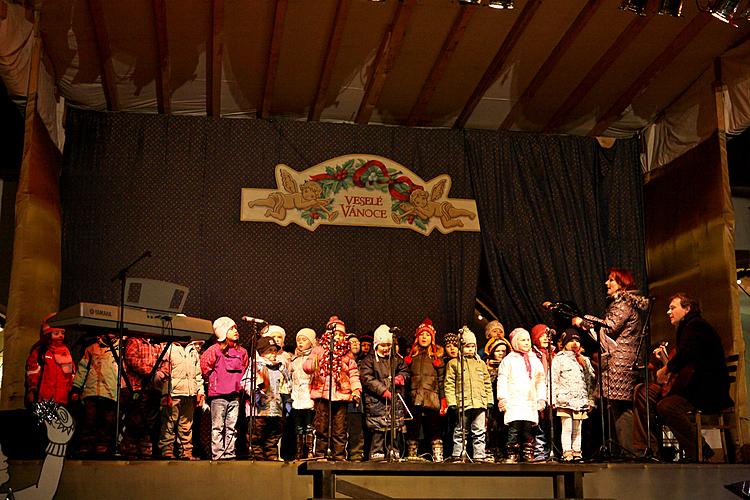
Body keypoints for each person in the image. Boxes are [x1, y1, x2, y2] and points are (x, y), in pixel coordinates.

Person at [646, 293, 732, 462]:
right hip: (696, 388)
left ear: (687, 309)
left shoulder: (696, 325)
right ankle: (655, 450)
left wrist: (666, 369)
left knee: (667, 406)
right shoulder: (689, 327)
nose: (668, 312)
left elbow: (687, 353)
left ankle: (700, 451)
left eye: (672, 308)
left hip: (708, 390)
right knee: (650, 397)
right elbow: (687, 360)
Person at [572, 267, 649, 451]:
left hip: (620, 362)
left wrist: (582, 322)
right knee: (617, 407)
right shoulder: (623, 303)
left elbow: (609, 327)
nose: (607, 283)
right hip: (621, 361)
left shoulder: (622, 304)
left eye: (611, 280)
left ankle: (629, 450)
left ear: (622, 284)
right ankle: (625, 449)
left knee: (620, 408)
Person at [303, 316, 362, 460]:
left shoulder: (347, 354)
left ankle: (339, 455)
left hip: (341, 395)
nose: (338, 337)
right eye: (335, 334)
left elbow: (353, 374)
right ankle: (320, 454)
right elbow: (307, 367)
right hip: (322, 395)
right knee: (321, 427)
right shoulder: (319, 350)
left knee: (340, 428)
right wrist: (313, 364)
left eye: (341, 335)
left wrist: (356, 390)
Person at [200, 317, 249, 460]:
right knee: (218, 427)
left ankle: (229, 454)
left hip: (235, 395)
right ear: (222, 331)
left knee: (232, 428)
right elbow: (204, 368)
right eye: (231, 328)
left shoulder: (242, 352)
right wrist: (215, 381)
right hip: (218, 395)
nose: (236, 331)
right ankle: (218, 455)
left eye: (236, 328)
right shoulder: (214, 350)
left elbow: (245, 369)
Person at [359, 324, 410, 461]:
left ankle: (393, 450)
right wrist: (383, 391)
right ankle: (377, 451)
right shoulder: (368, 361)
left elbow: (405, 370)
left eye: (389, 345)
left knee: (393, 428)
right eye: (383, 345)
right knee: (379, 429)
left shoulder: (396, 359)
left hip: (394, 400)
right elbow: (367, 378)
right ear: (376, 345)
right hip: (377, 401)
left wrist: (401, 377)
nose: (386, 348)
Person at [497, 328, 547, 463]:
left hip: (529, 401)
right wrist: (502, 398)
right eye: (522, 340)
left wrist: (541, 398)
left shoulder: (534, 360)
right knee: (514, 429)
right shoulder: (508, 360)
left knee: (528, 429)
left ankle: (527, 453)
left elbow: (540, 381)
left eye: (528, 340)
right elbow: (502, 379)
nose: (526, 342)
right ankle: (512, 453)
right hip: (514, 400)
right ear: (515, 342)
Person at [444, 327, 493, 462]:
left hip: (479, 402)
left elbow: (487, 382)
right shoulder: (454, 363)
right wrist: (452, 402)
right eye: (467, 347)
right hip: (463, 402)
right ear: (461, 347)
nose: (470, 349)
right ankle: (458, 454)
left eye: (473, 347)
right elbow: (449, 384)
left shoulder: (480, 363)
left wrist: (489, 399)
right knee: (461, 430)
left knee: (479, 430)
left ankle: (479, 455)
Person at [70, 333, 122, 457]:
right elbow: (83, 369)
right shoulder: (92, 348)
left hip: (110, 392)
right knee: (90, 420)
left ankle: (102, 445)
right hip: (92, 391)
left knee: (107, 421)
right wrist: (76, 388)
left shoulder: (120, 349)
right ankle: (86, 445)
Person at [403, 318, 446, 462]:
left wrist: (443, 400)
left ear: (432, 338)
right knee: (413, 426)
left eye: (427, 335)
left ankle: (437, 454)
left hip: (432, 397)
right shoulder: (411, 357)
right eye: (421, 335)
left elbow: (441, 380)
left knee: (434, 427)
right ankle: (412, 454)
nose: (424, 337)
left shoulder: (436, 357)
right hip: (414, 396)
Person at [120, 335, 169, 459]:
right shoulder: (134, 341)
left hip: (153, 389)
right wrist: (152, 372)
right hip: (137, 387)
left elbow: (166, 362)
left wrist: (161, 373)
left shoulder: (157, 343)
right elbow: (132, 359)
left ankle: (145, 450)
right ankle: (131, 450)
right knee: (136, 421)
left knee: (149, 422)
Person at [242, 336, 290, 461]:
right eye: (269, 351)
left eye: (275, 350)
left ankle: (272, 457)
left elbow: (286, 384)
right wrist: (254, 393)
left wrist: (287, 399)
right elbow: (246, 382)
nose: (273, 353)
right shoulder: (256, 366)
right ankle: (257, 458)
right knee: (256, 435)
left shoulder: (281, 367)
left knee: (273, 435)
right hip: (259, 410)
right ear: (261, 352)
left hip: (275, 409)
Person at [551, 329, 596, 462]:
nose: (575, 343)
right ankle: (567, 452)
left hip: (580, 400)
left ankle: (577, 452)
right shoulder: (559, 359)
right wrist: (552, 398)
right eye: (571, 341)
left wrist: (591, 400)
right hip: (564, 400)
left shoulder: (584, 360)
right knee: (567, 427)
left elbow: (590, 382)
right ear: (564, 343)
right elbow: (553, 379)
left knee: (577, 428)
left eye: (577, 341)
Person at [158, 340, 205, 460]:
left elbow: (198, 374)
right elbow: (164, 372)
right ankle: (166, 450)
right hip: (173, 393)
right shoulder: (168, 348)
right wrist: (165, 393)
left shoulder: (192, 349)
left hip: (190, 393)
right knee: (169, 423)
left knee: (186, 425)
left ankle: (186, 451)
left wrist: (200, 391)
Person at [25, 314, 75, 408]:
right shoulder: (41, 351)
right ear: (48, 335)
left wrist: (72, 389)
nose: (60, 336)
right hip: (43, 398)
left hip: (62, 399)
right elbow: (33, 372)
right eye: (56, 333)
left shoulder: (66, 352)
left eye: (62, 333)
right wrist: (31, 389)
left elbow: (71, 373)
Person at [290, 328, 316, 460]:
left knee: (309, 425)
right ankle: (299, 451)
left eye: (304, 340)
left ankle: (310, 451)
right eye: (298, 340)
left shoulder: (315, 357)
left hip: (310, 395)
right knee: (298, 426)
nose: (300, 342)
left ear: (311, 342)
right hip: (297, 396)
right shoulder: (294, 359)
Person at [530, 324, 555, 461]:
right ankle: (539, 453)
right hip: (537, 393)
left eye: (547, 335)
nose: (546, 338)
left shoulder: (554, 353)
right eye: (542, 335)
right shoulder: (533, 355)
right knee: (538, 424)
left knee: (549, 423)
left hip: (552, 392)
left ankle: (551, 451)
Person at [485, 337, 511, 462]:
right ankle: (490, 449)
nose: (501, 353)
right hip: (491, 401)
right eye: (498, 351)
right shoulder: (486, 366)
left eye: (503, 351)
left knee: (503, 426)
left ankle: (502, 450)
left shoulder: (509, 365)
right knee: (491, 426)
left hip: (505, 401)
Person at [346, 333, 366, 461]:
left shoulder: (364, 361)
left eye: (357, 342)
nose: (355, 344)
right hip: (344, 397)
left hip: (358, 399)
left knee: (356, 428)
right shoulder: (342, 360)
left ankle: (356, 453)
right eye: (352, 342)